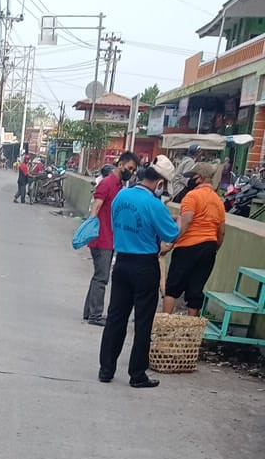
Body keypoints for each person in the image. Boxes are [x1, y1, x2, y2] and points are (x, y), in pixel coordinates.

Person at [98, 164, 182, 388]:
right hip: (145, 265)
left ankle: (106, 369)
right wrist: (179, 221)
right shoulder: (154, 204)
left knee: (116, 317)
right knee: (143, 322)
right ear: (160, 183)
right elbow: (171, 234)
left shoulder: (121, 195)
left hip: (122, 261)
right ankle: (137, 374)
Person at [83, 150, 139, 327]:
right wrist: (91, 230)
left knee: (98, 276)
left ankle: (90, 312)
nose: (131, 172)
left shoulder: (119, 186)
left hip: (109, 238)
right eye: (130, 168)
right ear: (121, 164)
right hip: (102, 238)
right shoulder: (107, 184)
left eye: (134, 170)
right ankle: (95, 315)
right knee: (102, 277)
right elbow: (96, 207)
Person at [162, 162, 226, 317]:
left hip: (187, 247)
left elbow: (187, 221)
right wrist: (213, 249)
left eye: (192, 177)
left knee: (172, 288)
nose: (190, 180)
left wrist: (171, 244)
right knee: (195, 292)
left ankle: (163, 328)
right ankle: (190, 335)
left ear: (201, 178)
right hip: (209, 248)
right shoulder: (218, 201)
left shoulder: (192, 196)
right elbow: (221, 232)